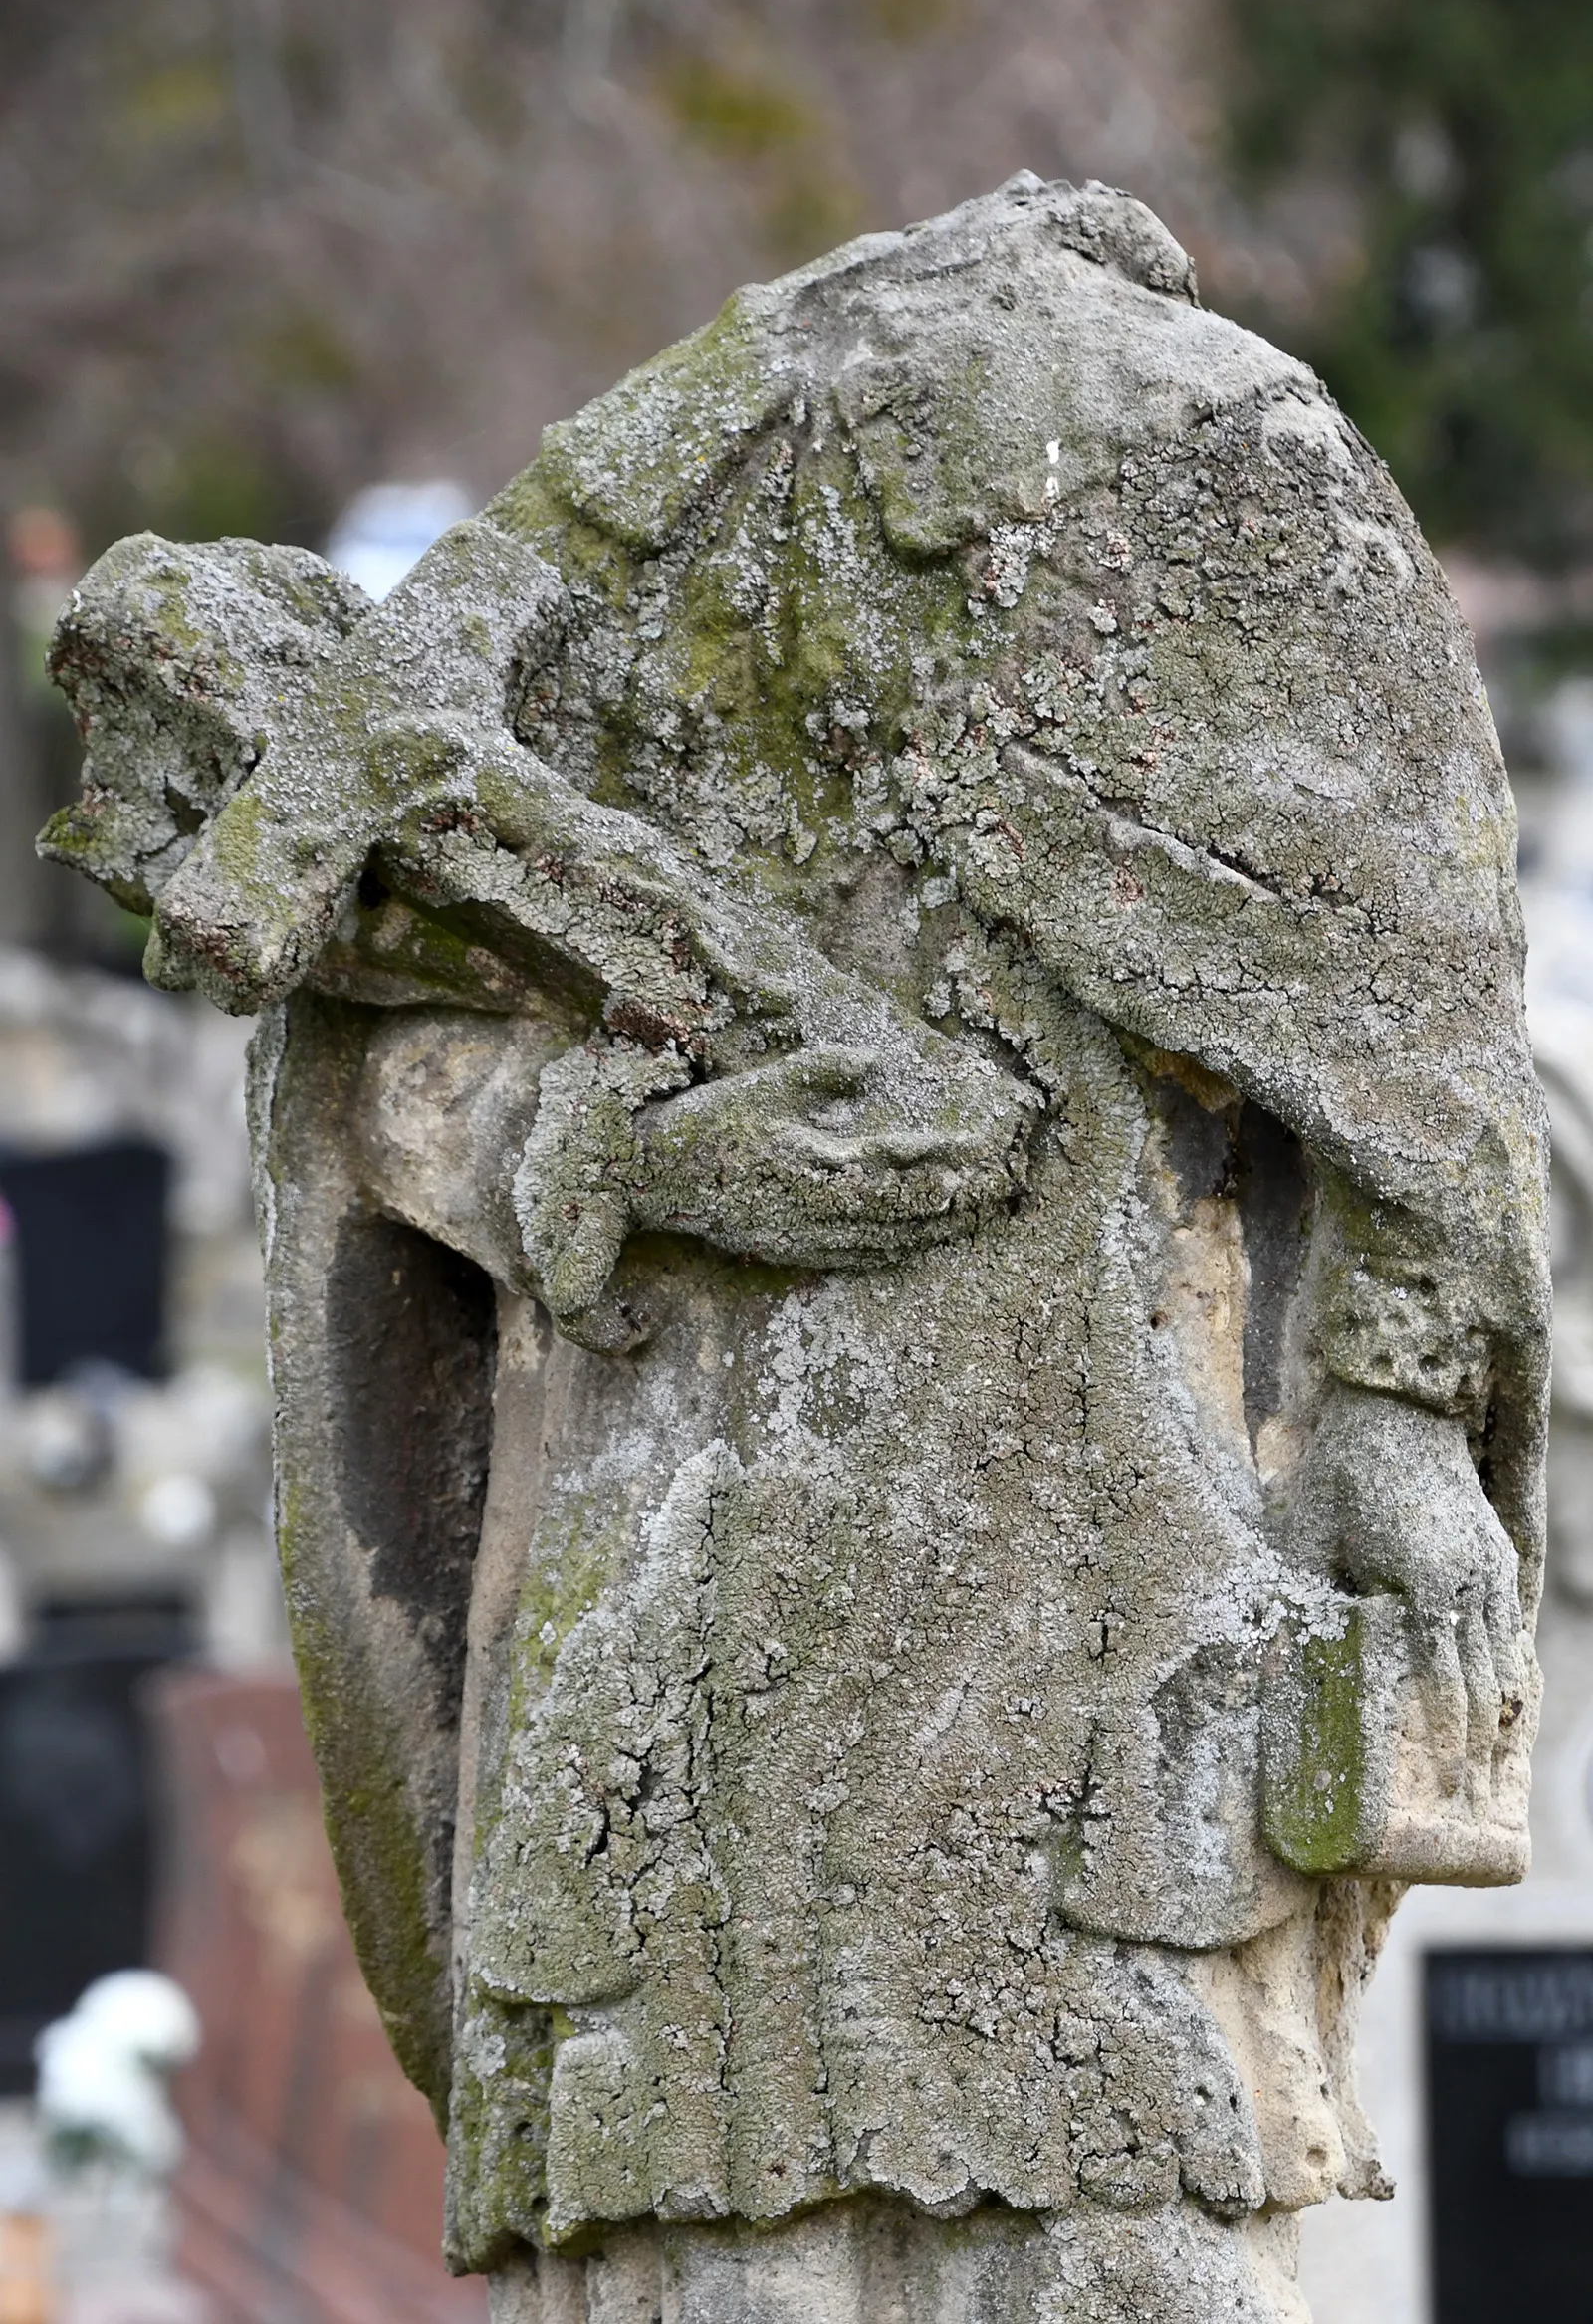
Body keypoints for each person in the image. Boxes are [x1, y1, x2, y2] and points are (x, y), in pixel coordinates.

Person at [41, 177, 1548, 2323]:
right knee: (754, 2248)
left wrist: (1393, 1422)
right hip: (697, 1631)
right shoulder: (545, 663)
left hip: (1033, 1622)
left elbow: (1401, 1050)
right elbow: (374, 1098)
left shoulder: (1142, 473)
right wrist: (591, 1147)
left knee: (1070, 2224)